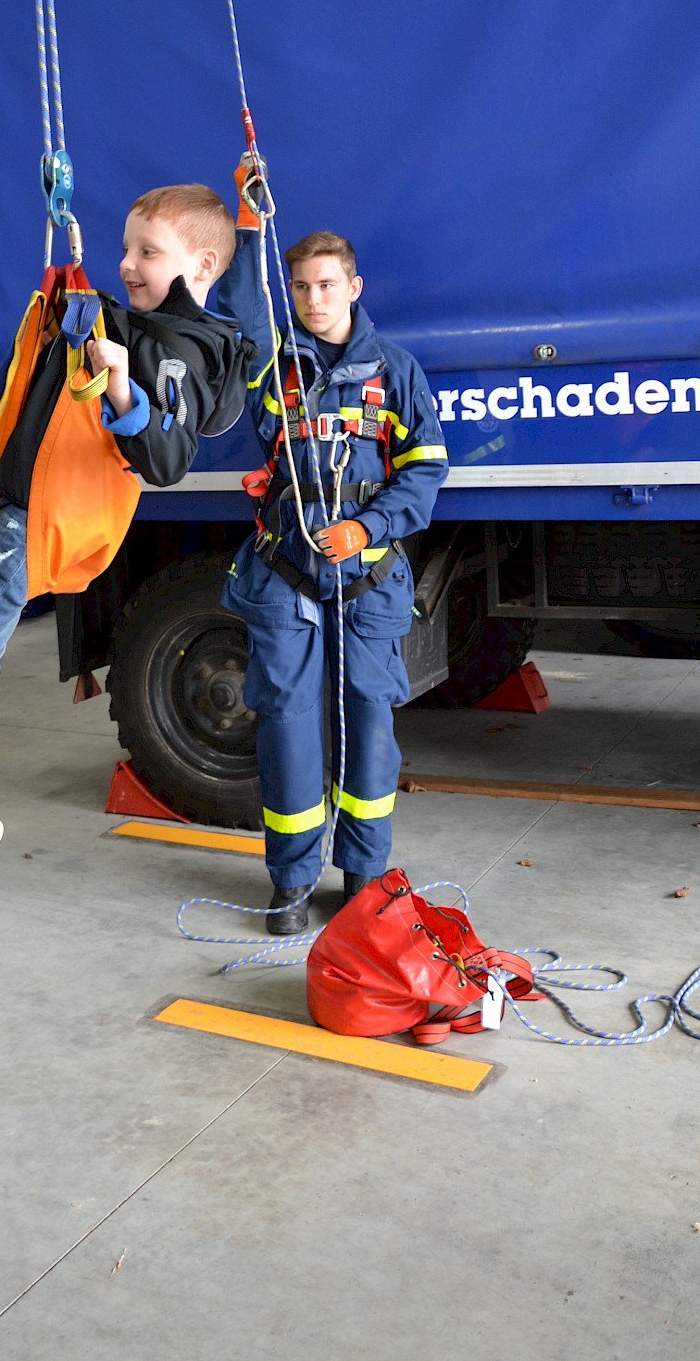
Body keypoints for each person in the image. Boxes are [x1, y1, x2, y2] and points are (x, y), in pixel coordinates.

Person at [0, 183, 254, 899]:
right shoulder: (140, 326)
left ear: (202, 266)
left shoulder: (178, 347)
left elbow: (168, 457)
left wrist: (119, 385)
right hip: (27, 504)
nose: (128, 264)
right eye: (126, 249)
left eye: (149, 252)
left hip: (47, 514)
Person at [219, 196, 448, 935]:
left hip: (370, 578)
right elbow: (240, 306)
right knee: (285, 726)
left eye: (326, 284)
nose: (313, 299)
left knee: (369, 727)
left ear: (354, 286)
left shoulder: (398, 374)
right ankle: (289, 884)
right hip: (285, 577)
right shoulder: (274, 369)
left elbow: (425, 474)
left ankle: (363, 880)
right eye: (301, 287)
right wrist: (250, 223)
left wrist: (368, 527)